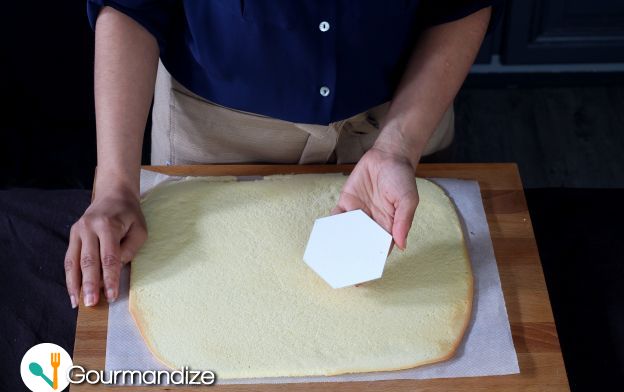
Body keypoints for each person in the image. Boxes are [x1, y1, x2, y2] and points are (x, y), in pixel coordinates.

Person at [65, 1, 494, 308]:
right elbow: (129, 6)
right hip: (217, 136)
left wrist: (398, 146)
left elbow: (461, 4)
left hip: (405, 117)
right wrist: (116, 185)